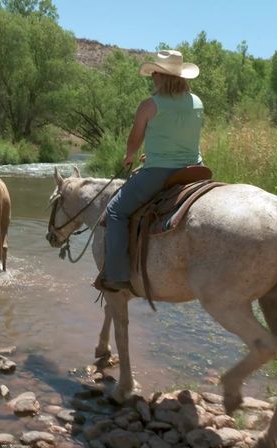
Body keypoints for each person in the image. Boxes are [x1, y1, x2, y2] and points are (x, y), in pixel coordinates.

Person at [96, 50, 204, 292]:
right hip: (196, 169)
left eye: (156, 72)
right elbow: (183, 135)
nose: (153, 76)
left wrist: (130, 156)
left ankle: (117, 276)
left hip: (161, 173)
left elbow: (135, 138)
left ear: (162, 76)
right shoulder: (197, 102)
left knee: (115, 211)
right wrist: (155, 152)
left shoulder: (150, 105)